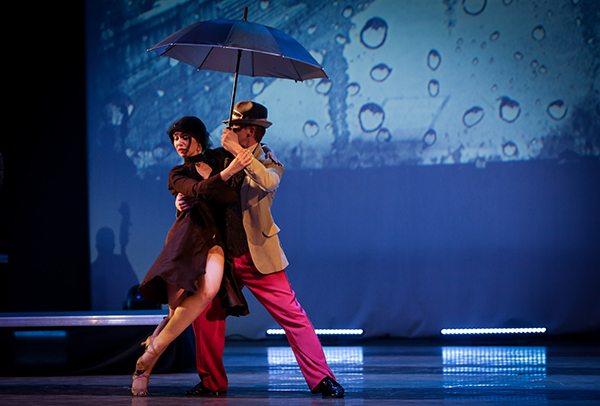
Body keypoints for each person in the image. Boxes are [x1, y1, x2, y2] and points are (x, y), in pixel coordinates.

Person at [178, 101, 345, 398]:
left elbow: (267, 183)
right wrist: (180, 200)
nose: (228, 132)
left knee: (292, 316)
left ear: (250, 131)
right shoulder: (219, 158)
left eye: (235, 127)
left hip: (257, 254)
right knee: (205, 315)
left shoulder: (268, 160)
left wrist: (237, 152)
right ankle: (212, 382)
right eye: (229, 127)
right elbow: (198, 182)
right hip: (221, 255)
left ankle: (322, 378)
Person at [131, 116, 253, 396]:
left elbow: (234, 177)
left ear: (198, 137)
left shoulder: (221, 159)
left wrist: (232, 147)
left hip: (215, 239)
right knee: (176, 312)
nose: (179, 143)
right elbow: (199, 190)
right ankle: (143, 370)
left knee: (209, 291)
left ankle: (150, 353)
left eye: (184, 137)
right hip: (185, 242)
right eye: (175, 139)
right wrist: (228, 172)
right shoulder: (177, 173)